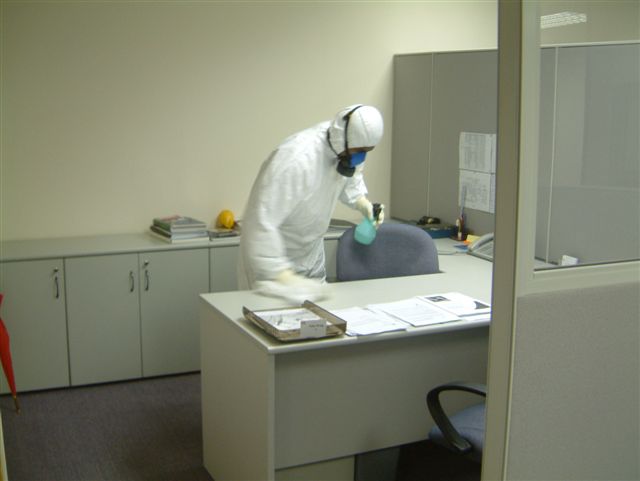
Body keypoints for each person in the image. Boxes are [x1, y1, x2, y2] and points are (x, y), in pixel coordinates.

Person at [237, 104, 385, 303]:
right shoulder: (296, 159)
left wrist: (361, 202)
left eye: (367, 151)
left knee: (321, 318)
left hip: (311, 257)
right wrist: (280, 275)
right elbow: (260, 222)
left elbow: (350, 175)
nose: (361, 157)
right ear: (343, 138)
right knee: (269, 318)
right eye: (359, 151)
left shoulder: (347, 148)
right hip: (272, 264)